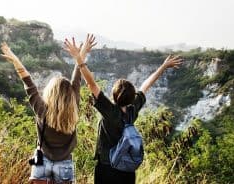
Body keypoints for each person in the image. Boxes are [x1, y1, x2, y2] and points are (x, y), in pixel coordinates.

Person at [64, 34, 183, 184]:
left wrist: (79, 58)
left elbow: (91, 84)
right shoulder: (133, 109)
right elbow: (146, 85)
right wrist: (163, 66)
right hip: (127, 168)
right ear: (132, 97)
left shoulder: (110, 111)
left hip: (107, 167)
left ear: (114, 96)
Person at [0, 41, 94, 184]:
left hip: (42, 162)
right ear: (70, 94)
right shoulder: (74, 104)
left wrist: (16, 60)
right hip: (65, 164)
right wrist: (81, 54)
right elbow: (77, 76)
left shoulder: (41, 110)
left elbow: (28, 83)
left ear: (50, 92)